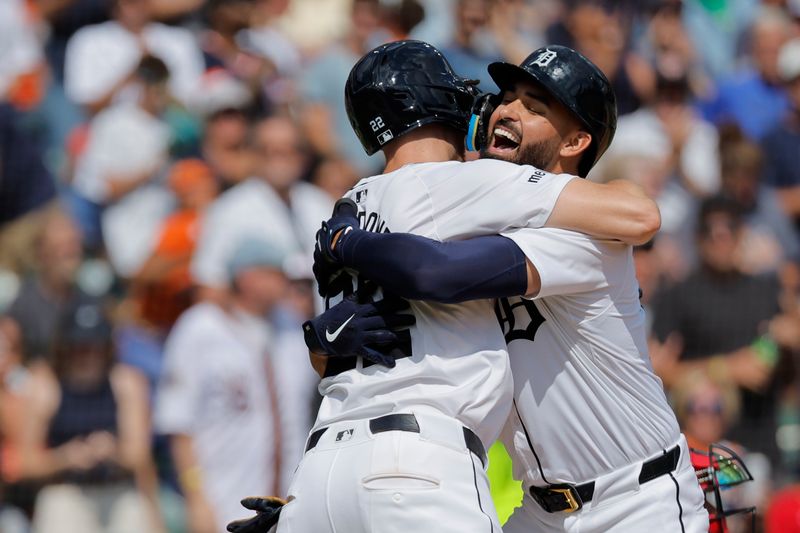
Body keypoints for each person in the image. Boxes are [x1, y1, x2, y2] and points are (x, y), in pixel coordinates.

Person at [232, 40, 664, 533]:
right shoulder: (468, 194)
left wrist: (348, 245)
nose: (505, 109)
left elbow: (436, 273)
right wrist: (323, 338)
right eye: (509, 97)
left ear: (574, 143)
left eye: (534, 106)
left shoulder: (579, 232)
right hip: (501, 498)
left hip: (631, 496)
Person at [155, 237, 291, 533]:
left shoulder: (290, 328)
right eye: (275, 273)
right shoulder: (201, 327)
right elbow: (179, 424)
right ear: (247, 277)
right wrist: (196, 498)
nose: (285, 283)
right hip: (223, 501)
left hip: (288, 507)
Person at [19, 300, 162, 533]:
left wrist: (112, 450)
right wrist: (65, 457)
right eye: (79, 347)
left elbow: (139, 455)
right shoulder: (45, 385)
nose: (87, 355)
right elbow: (25, 462)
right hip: (65, 490)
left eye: (95, 347)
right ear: (64, 348)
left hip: (118, 488)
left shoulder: (125, 381)